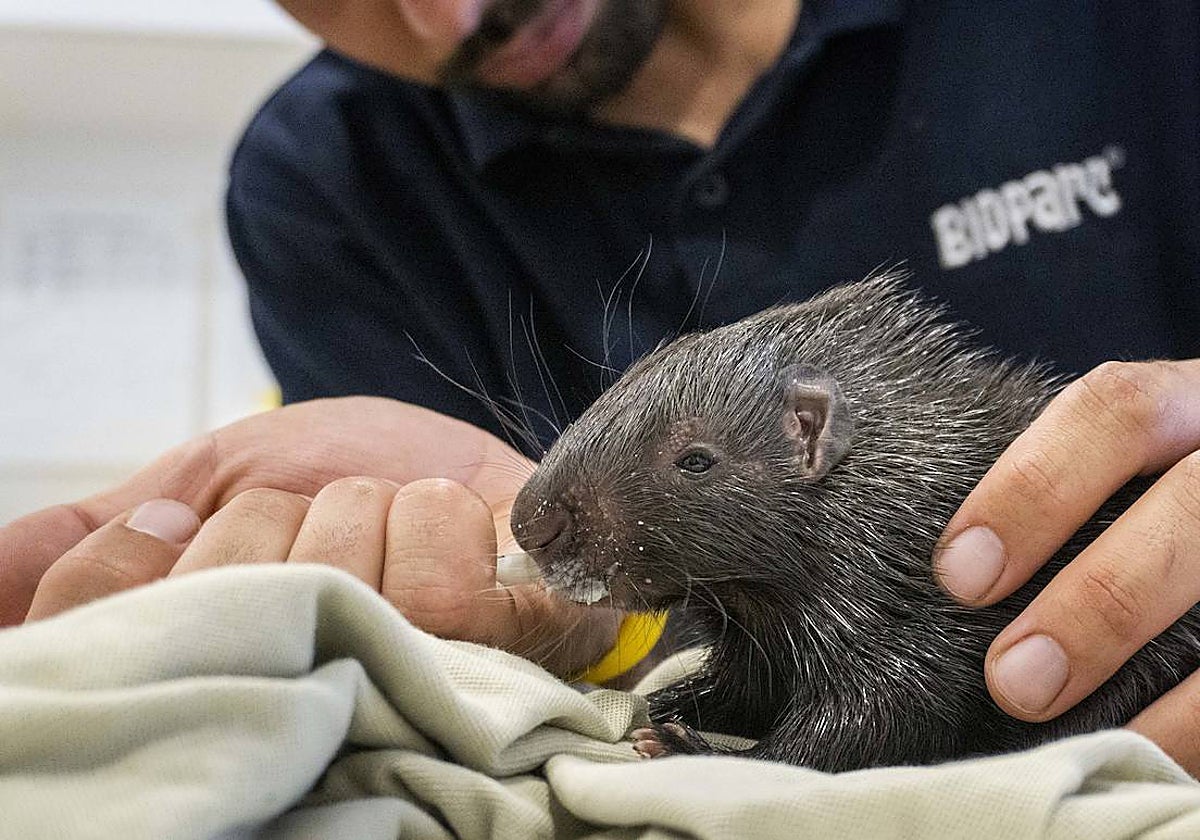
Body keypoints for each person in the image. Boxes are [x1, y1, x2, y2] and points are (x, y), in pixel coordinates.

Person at [3, 0, 1200, 773]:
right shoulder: (324, 184)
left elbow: (889, 687)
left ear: (812, 438)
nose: (445, 10)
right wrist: (546, 629)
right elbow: (622, 638)